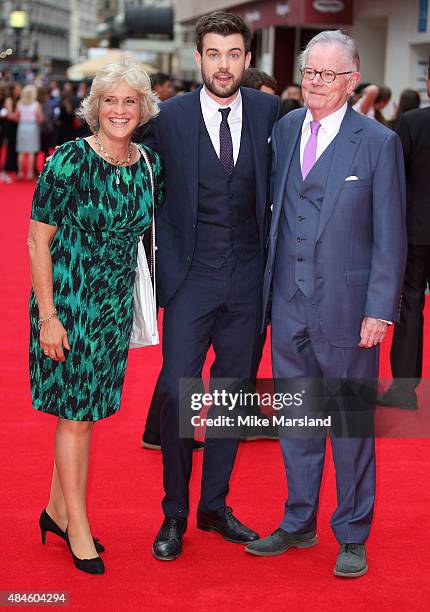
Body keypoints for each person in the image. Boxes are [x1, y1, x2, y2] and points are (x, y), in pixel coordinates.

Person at [245, 30, 406, 578]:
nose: (316, 83)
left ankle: (353, 533)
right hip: (288, 301)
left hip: (347, 308)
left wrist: (378, 310)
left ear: (352, 79)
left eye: (329, 75)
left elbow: (391, 235)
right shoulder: (286, 129)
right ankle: (298, 522)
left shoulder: (378, 143)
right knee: (297, 421)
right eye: (310, 72)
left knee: (350, 425)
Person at [142, 11, 279, 561]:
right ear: (197, 58)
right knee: (179, 393)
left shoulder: (273, 112)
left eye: (233, 54)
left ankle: (214, 506)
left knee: (232, 397)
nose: (223, 65)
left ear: (249, 59)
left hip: (249, 277)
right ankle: (175, 512)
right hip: (189, 279)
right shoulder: (168, 117)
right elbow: (127, 160)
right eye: (213, 54)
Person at [28, 56, 163, 575]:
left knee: (87, 415)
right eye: (111, 100)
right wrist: (48, 316)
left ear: (144, 108)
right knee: (75, 418)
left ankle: (56, 509)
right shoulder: (67, 160)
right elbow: (38, 241)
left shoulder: (150, 167)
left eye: (131, 101)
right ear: (95, 107)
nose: (120, 110)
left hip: (112, 308)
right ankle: (76, 527)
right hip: (68, 303)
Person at [378, 67, 430, 410]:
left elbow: (393, 174)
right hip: (414, 230)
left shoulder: (412, 122)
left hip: (416, 230)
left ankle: (404, 390)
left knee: (410, 304)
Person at [16, 84, 44, 181]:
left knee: (21, 151)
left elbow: (16, 116)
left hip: (22, 126)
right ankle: (29, 174)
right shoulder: (36, 104)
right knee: (31, 151)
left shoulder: (20, 104)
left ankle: (20, 173)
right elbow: (40, 119)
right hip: (32, 127)